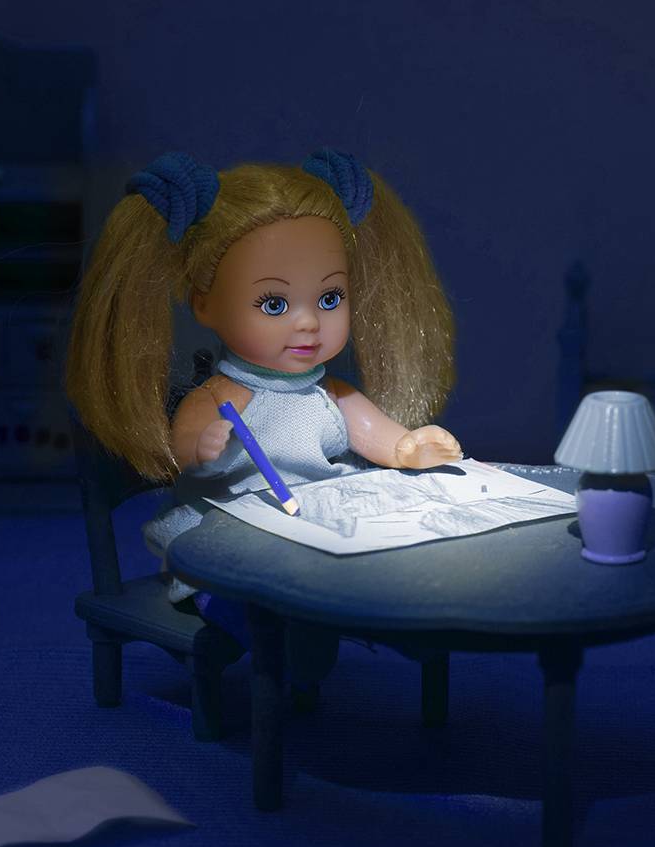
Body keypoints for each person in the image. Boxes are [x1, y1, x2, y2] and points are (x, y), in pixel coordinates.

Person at [64, 149, 462, 666]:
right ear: (204, 304)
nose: (308, 323)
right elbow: (188, 448)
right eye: (274, 304)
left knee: (371, 566)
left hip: (309, 529)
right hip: (231, 534)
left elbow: (379, 435)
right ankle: (270, 635)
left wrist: (409, 446)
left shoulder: (332, 395)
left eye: (330, 298)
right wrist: (205, 445)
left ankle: (349, 626)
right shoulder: (221, 397)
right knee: (249, 595)